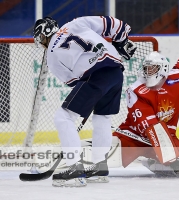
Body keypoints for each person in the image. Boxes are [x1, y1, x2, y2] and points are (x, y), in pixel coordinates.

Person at [33, 16, 136, 187]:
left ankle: (74, 169)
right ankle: (99, 167)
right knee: (102, 117)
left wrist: (91, 94)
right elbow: (114, 24)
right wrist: (122, 41)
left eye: (42, 38)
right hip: (116, 72)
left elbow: (74, 82)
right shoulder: (75, 23)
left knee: (63, 117)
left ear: (45, 33)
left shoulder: (51, 56)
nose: (43, 43)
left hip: (95, 76)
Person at [113, 20, 179, 177]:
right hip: (134, 139)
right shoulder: (136, 90)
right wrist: (171, 157)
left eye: (152, 68)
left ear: (163, 70)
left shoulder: (177, 79)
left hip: (166, 138)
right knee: (104, 154)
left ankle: (159, 161)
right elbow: (154, 129)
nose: (148, 73)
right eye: (146, 68)